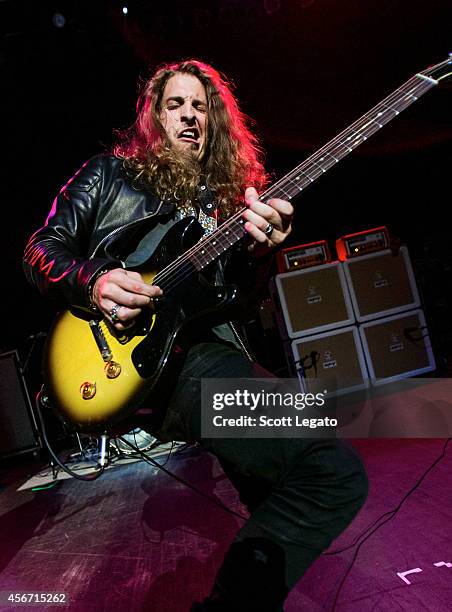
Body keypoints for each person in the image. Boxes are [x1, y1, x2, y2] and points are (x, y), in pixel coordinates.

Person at [24, 59, 368, 611]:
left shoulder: (228, 202)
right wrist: (95, 280)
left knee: (289, 490)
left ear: (216, 123)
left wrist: (262, 250)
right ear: (153, 117)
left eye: (201, 107)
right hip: (146, 360)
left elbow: (235, 300)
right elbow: (42, 249)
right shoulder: (108, 175)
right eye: (175, 104)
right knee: (332, 472)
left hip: (205, 353)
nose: (189, 115)